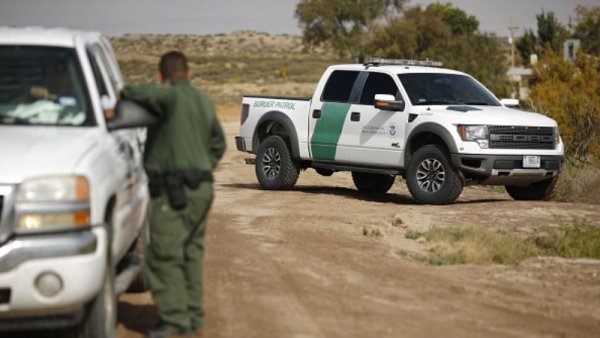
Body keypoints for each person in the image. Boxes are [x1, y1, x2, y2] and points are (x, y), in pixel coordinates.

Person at [121, 51, 226, 338]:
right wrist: (202, 165)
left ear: (161, 76)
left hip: (174, 190)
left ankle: (174, 320)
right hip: (202, 188)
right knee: (192, 252)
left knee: (163, 255)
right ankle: (191, 317)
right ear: (189, 73)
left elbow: (134, 92)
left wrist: (124, 90)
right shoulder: (203, 101)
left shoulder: (169, 97)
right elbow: (218, 143)